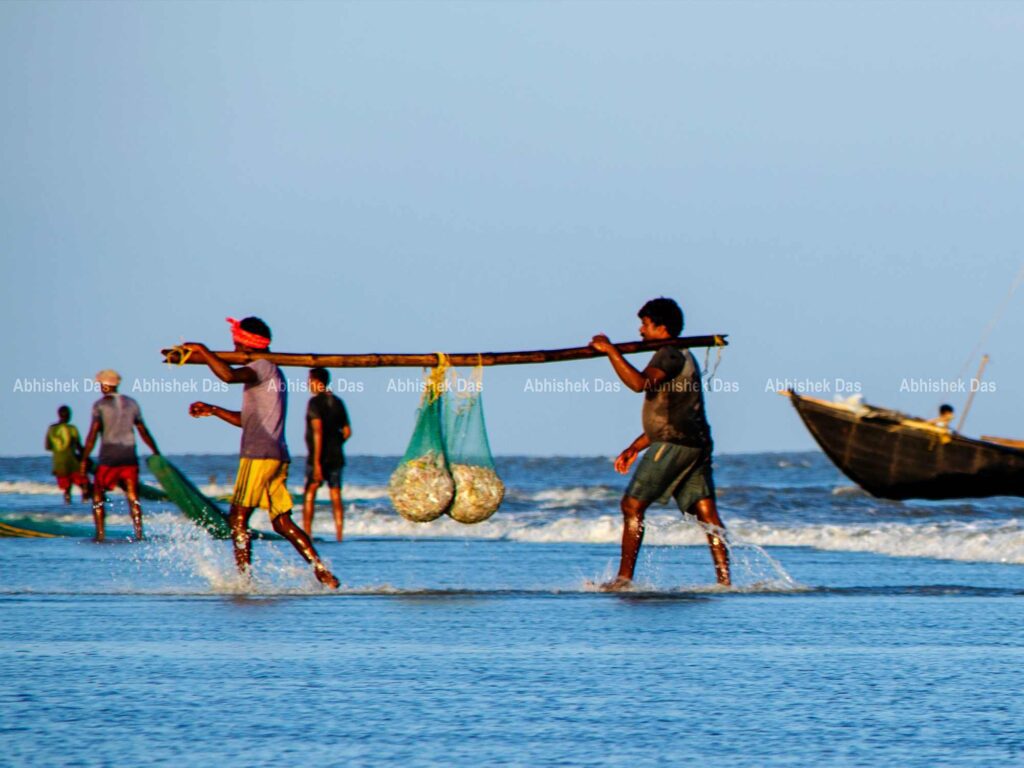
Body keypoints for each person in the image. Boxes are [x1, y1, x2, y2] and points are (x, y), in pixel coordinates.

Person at [184, 317, 340, 589]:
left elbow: (229, 376)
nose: (233, 348)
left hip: (258, 455)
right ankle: (321, 570)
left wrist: (204, 351)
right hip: (276, 454)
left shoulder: (261, 366)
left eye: (236, 343)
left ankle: (243, 580)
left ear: (247, 344)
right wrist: (214, 410)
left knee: (238, 517)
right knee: (281, 521)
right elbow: (248, 419)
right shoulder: (270, 372)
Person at [590, 297, 731, 590]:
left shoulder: (669, 354)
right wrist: (635, 446)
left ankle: (624, 579)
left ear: (661, 328)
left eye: (645, 325)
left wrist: (610, 351)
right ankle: (725, 582)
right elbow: (672, 416)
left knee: (631, 506)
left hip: (675, 444)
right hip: (696, 443)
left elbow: (640, 384)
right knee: (706, 513)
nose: (641, 331)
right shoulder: (683, 355)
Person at [80, 370, 160, 541]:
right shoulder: (132, 403)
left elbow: (93, 434)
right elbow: (143, 430)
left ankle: (100, 534)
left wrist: (84, 458)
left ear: (105, 385)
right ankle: (139, 533)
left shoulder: (99, 405)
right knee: (133, 496)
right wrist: (156, 452)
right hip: (129, 455)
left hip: (109, 456)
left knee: (98, 495)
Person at [302, 367, 352, 542]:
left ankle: (307, 533)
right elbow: (347, 431)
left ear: (317, 382)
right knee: (335, 494)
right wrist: (336, 444)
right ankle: (339, 535)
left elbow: (318, 431)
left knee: (310, 492)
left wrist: (316, 461)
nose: (308, 385)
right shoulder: (338, 402)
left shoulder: (314, 403)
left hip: (319, 456)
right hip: (336, 455)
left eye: (309, 381)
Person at [45, 406, 92, 503]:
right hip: (72, 462)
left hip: (58, 464)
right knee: (84, 484)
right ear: (69, 416)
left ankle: (68, 506)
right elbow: (79, 447)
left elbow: (47, 446)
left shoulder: (51, 429)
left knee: (67, 489)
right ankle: (85, 504)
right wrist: (86, 458)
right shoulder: (72, 429)